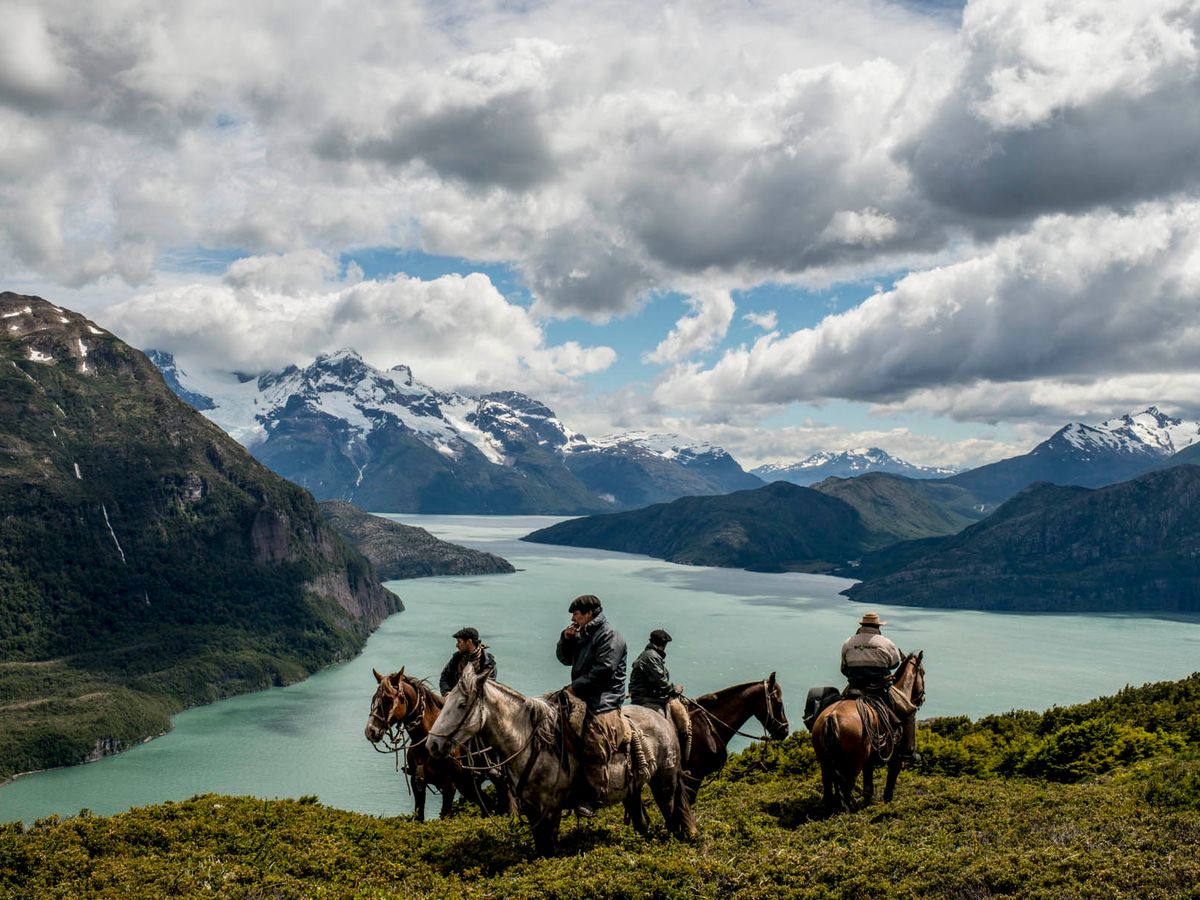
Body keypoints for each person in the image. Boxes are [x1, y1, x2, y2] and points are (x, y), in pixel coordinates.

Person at [555, 593, 627, 817]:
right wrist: (565, 639)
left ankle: (593, 796)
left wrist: (575, 687)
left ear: (589, 613)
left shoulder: (610, 636)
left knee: (593, 739)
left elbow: (604, 671)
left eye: (576, 614)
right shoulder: (583, 633)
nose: (573, 619)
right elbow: (565, 659)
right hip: (582, 692)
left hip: (604, 697)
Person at [840, 611, 916, 762]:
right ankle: (908, 751)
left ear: (862, 625)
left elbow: (844, 667)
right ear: (877, 626)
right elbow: (894, 664)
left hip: (854, 687)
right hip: (879, 688)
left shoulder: (848, 642)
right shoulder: (886, 642)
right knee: (909, 710)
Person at [629, 629, 682, 711]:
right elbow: (661, 681)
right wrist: (675, 689)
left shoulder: (649, 654)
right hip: (646, 698)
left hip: (645, 696)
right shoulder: (652, 656)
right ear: (663, 644)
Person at [439, 627, 497, 696]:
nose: (456, 645)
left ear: (468, 642)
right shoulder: (457, 658)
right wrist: (446, 693)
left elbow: (487, 688)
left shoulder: (487, 663)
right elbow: (445, 677)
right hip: (455, 698)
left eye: (459, 642)